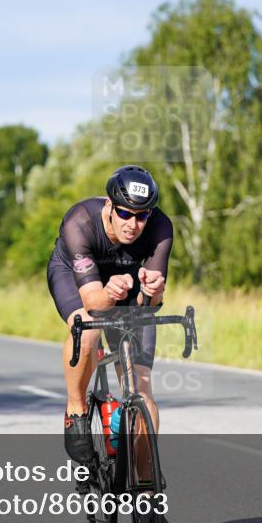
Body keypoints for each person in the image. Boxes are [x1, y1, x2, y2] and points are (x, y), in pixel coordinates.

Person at [46, 165, 173, 462]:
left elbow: (148, 305)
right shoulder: (79, 221)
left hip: (125, 281)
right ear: (109, 206)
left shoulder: (160, 227)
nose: (133, 224)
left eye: (141, 216)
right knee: (88, 327)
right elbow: (93, 302)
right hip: (75, 277)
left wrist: (152, 290)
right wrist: (111, 293)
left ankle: (145, 481)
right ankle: (76, 410)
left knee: (141, 389)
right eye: (125, 213)